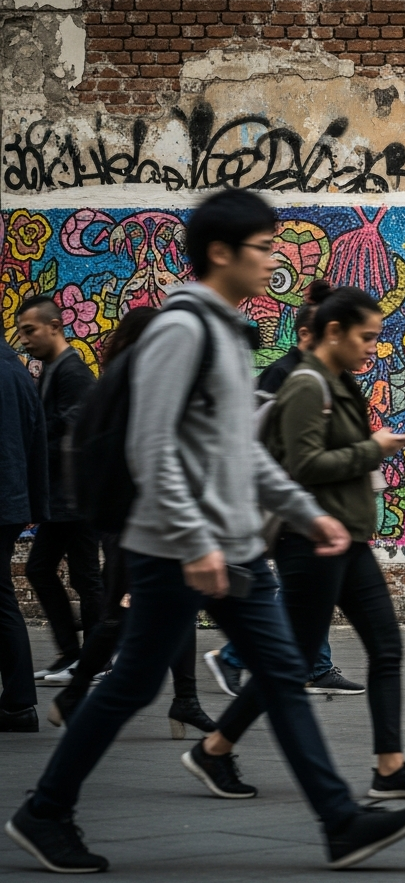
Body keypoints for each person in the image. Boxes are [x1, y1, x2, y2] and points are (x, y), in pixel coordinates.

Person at [5, 189, 405, 874]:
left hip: (231, 548)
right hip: (179, 549)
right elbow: (151, 447)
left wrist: (306, 512)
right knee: (133, 685)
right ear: (220, 253)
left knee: (281, 674)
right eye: (264, 248)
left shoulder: (228, 333)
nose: (274, 260)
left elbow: (241, 454)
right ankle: (45, 810)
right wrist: (196, 540)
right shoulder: (183, 331)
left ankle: (341, 822)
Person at [199, 282, 405, 801]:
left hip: (348, 542)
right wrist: (373, 449)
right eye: (366, 337)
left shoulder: (338, 382)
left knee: (386, 648)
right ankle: (215, 749)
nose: (373, 348)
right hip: (311, 542)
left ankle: (389, 768)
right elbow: (304, 466)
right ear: (334, 331)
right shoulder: (306, 386)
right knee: (290, 662)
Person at [47, 307, 217, 739]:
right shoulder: (140, 382)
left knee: (160, 610)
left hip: (142, 517)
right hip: (140, 519)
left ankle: (182, 699)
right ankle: (80, 697)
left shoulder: (124, 379)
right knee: (123, 615)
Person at [207, 291, 362, 699]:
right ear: (308, 334)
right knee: (301, 593)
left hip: (311, 504)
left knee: (312, 590)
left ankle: (313, 665)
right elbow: (260, 444)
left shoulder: (323, 375)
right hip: (290, 505)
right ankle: (236, 657)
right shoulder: (284, 374)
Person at [15, 297, 103, 682]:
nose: (24, 339)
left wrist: (32, 448)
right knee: (42, 569)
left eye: (30, 330)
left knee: (85, 577)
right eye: (21, 331)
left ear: (54, 326)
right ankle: (72, 654)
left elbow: (74, 432)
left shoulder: (73, 373)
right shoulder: (54, 369)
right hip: (63, 498)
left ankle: (94, 658)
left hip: (77, 498)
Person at [0, 338, 48, 732]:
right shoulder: (17, 371)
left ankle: (18, 703)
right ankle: (18, 702)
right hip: (11, 503)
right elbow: (37, 440)